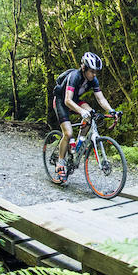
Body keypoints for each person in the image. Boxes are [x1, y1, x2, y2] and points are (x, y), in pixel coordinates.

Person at [52, 52, 120, 181]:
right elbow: (67, 100)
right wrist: (81, 111)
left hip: (75, 101)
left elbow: (101, 99)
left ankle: (78, 144)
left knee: (92, 114)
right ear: (84, 68)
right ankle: (60, 163)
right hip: (62, 101)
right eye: (92, 71)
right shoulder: (74, 76)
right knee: (68, 133)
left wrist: (112, 110)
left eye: (96, 72)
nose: (94, 75)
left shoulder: (93, 80)